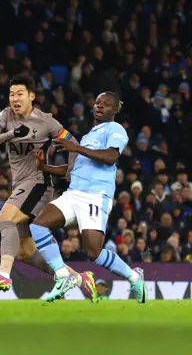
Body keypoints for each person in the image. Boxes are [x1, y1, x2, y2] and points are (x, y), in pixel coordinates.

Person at [0, 74, 96, 300]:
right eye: (12, 94)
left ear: (31, 96)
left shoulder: (46, 122)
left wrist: (71, 175)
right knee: (26, 252)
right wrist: (13, 134)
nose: (15, 99)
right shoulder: (6, 116)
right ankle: (79, 279)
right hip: (20, 185)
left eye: (20, 94)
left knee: (5, 218)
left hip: (39, 183)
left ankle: (3, 273)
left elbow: (73, 144)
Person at [29, 92, 147, 303]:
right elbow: (72, 170)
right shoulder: (89, 135)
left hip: (95, 195)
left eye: (106, 104)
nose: (99, 106)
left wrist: (76, 148)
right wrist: (44, 167)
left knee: (94, 253)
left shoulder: (115, 129)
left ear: (114, 110)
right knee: (38, 225)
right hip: (74, 193)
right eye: (97, 102)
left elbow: (111, 157)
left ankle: (133, 277)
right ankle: (63, 276)